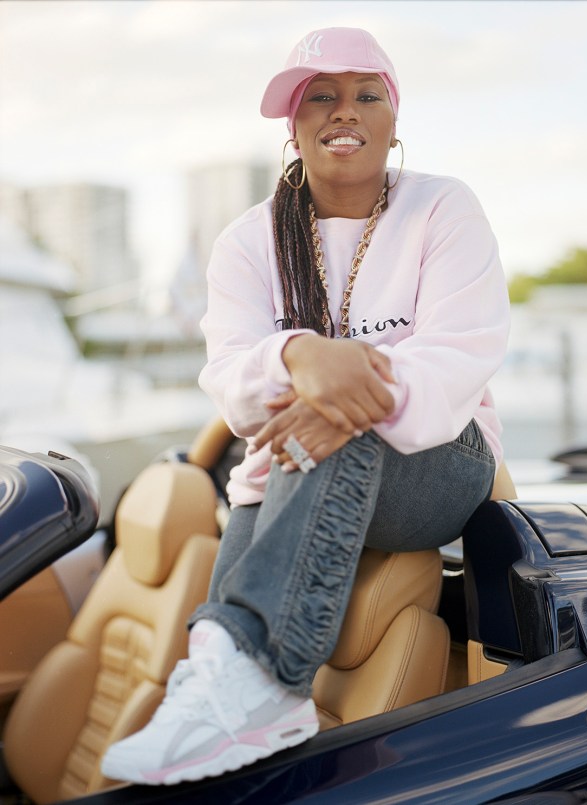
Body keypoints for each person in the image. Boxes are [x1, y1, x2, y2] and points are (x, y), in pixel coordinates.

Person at [102, 26, 510, 786]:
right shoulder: (247, 240)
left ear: (394, 117)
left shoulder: (442, 207)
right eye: (319, 96)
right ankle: (220, 668)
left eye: (365, 94)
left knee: (329, 432)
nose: (342, 111)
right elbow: (230, 376)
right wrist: (298, 355)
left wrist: (346, 390)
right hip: (300, 456)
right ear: (292, 125)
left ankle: (266, 678)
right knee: (294, 444)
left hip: (443, 460)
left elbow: (460, 356)